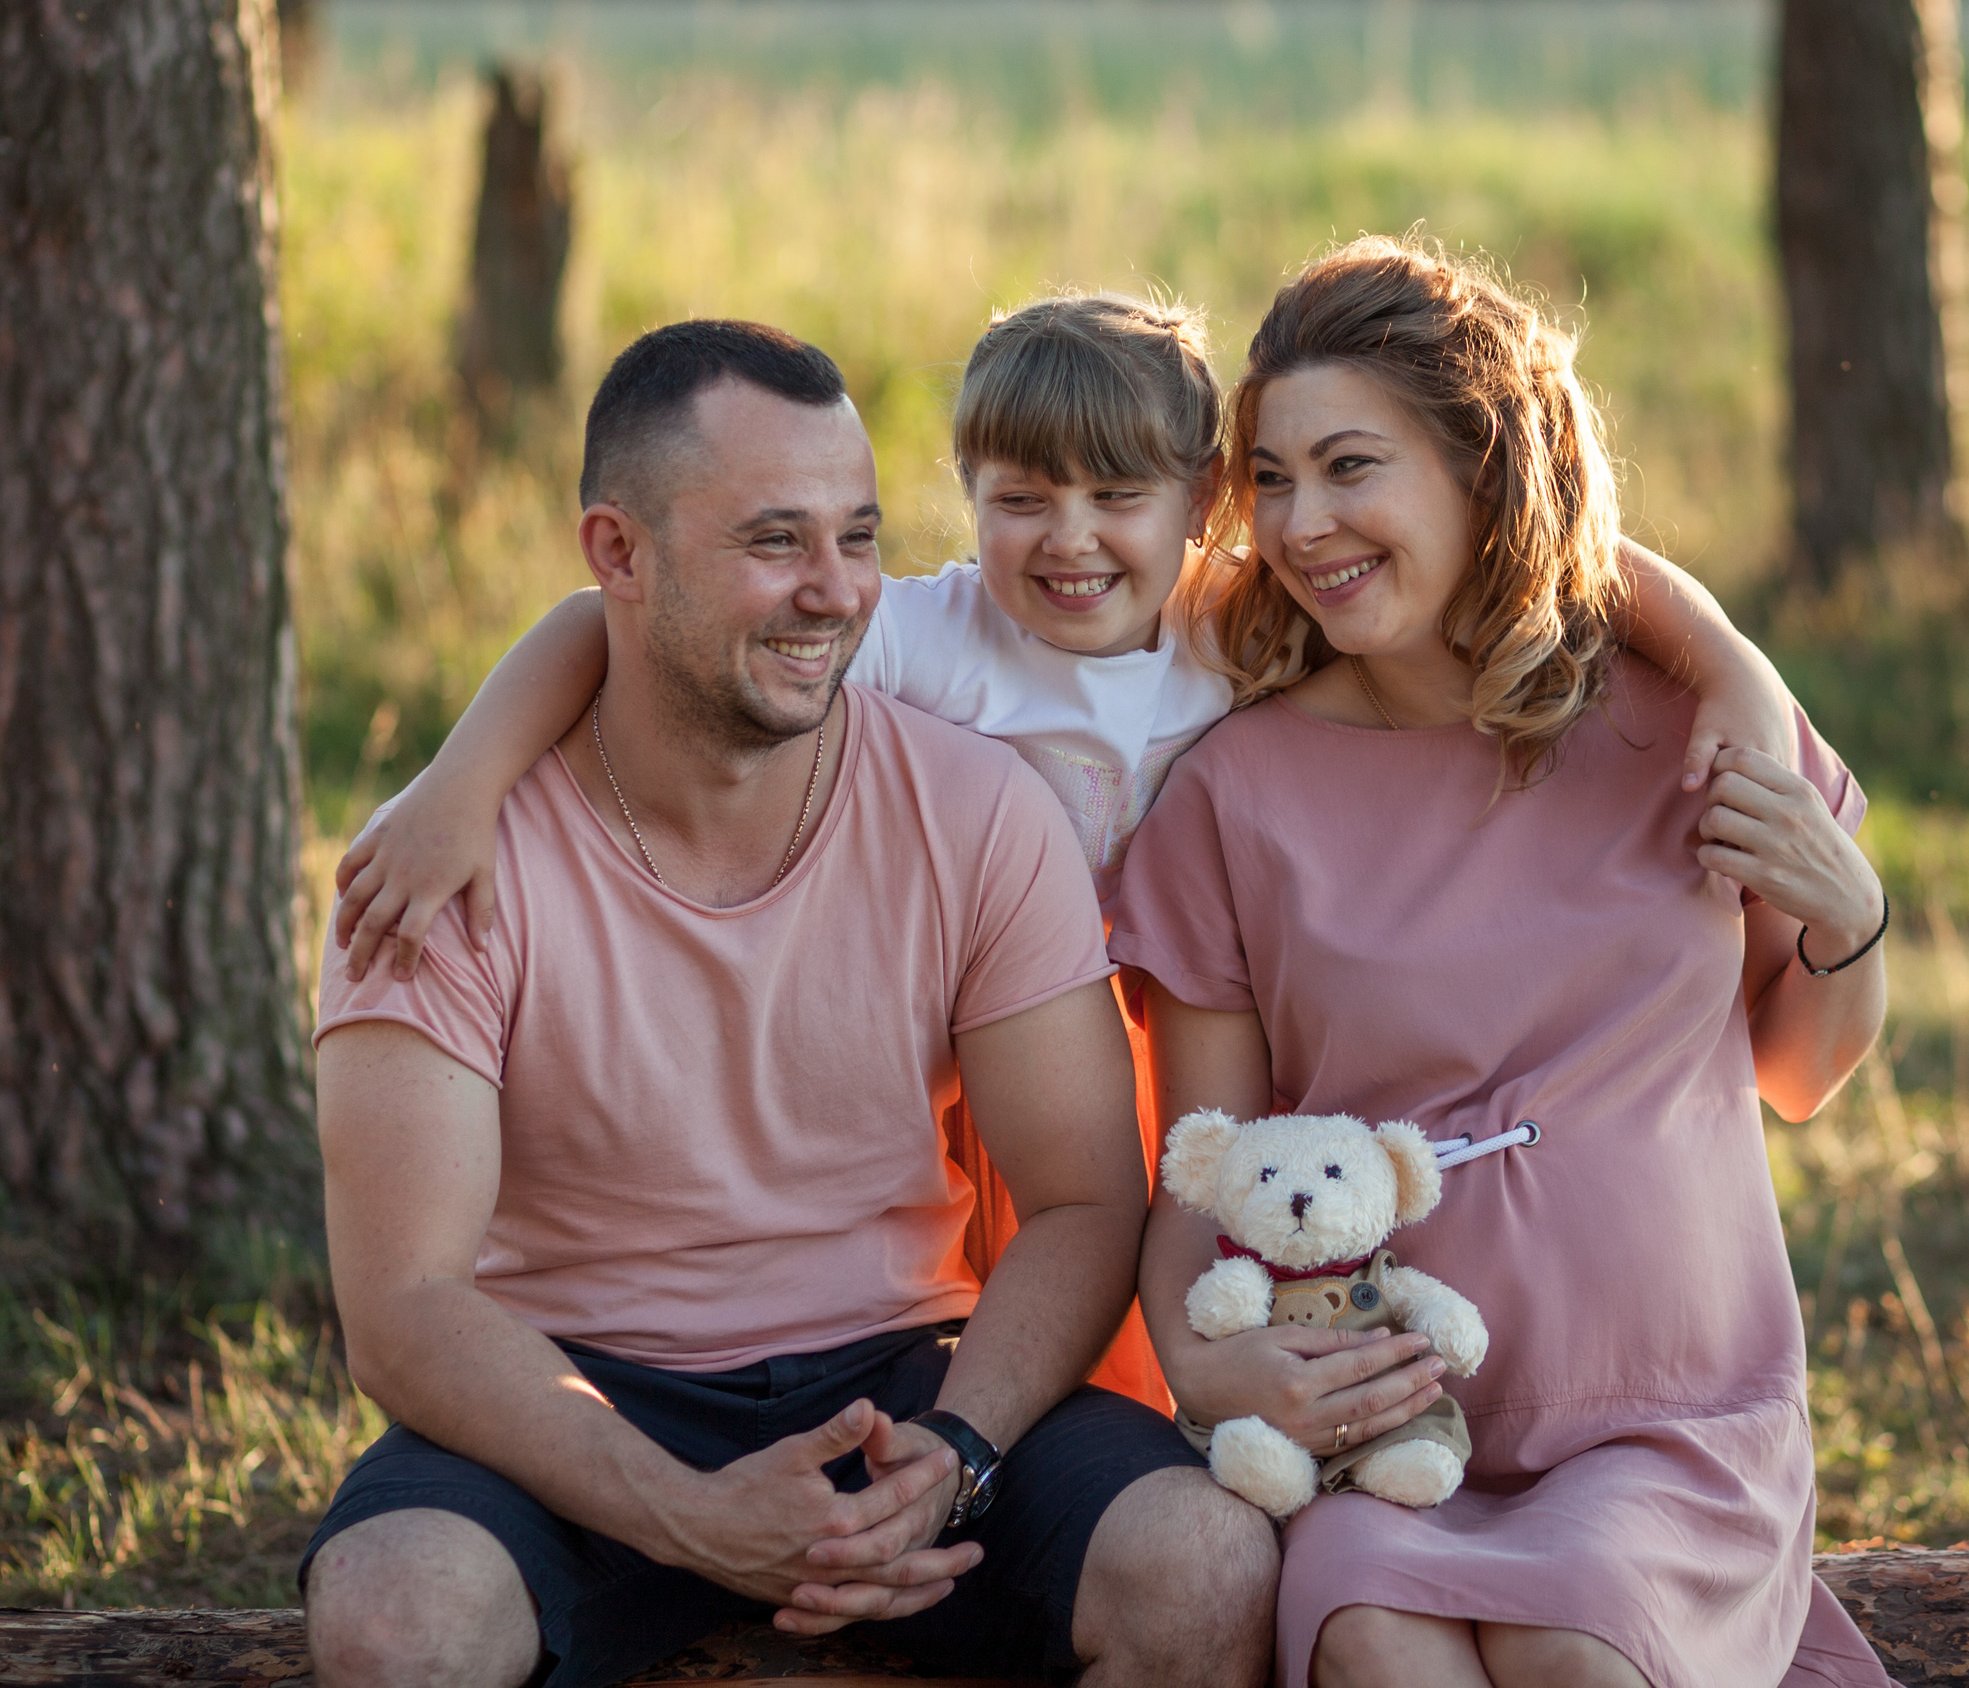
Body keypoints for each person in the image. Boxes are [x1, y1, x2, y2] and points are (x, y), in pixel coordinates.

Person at [325, 293, 1803, 1416]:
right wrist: (463, 782)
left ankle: (1180, 1478)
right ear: (969, 498)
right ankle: (1004, 1467)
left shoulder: (1238, 618)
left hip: (1181, 1029)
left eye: (1116, 500)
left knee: (1182, 1286)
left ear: (1202, 507)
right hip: (990, 1041)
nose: (1069, 542)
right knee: (1012, 1298)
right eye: (1020, 501)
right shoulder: (931, 635)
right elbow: (600, 623)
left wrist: (1728, 662)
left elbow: (1563, 558)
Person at [299, 319, 1277, 1688]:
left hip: (905, 1379)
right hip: (570, 1393)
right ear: (618, 554)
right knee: (398, 1614)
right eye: (775, 543)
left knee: (1206, 1564)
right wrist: (683, 1511)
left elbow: (1082, 1200)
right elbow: (404, 1304)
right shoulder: (440, 864)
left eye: (858, 538)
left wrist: (956, 1453)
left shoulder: (980, 807)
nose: (833, 592)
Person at [1112, 236, 1897, 1688]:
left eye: (1351, 467)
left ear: (1482, 468)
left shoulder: (1685, 719)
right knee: (1371, 1643)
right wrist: (1212, 1367)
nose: (1303, 525)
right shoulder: (1234, 795)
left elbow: (1801, 1070)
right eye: (1271, 479)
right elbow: (1199, 1171)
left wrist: (1851, 918)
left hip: (1670, 1417)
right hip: (1385, 1428)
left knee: (1574, 1650)